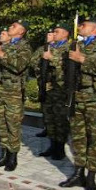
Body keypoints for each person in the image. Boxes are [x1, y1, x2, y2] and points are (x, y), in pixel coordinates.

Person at [59, 18, 96, 190]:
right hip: (77, 95)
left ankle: (91, 176)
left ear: (95, 29)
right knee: (78, 136)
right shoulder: (75, 45)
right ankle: (78, 172)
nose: (80, 27)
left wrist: (82, 59)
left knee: (95, 138)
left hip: (95, 98)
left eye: (84, 25)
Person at [0, 20, 32, 171]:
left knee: (13, 125)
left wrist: (1, 55)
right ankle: (4, 154)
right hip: (1, 90)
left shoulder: (24, 47)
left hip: (14, 92)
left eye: (14, 26)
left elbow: (19, 66)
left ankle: (13, 157)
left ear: (22, 31)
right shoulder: (7, 45)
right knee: (2, 124)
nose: (10, 27)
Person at [35, 23, 70, 160]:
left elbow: (68, 67)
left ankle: (60, 148)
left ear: (65, 33)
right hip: (48, 87)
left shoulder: (69, 48)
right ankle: (52, 144)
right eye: (53, 32)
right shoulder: (50, 47)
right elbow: (37, 63)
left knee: (60, 120)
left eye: (57, 31)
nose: (54, 34)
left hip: (61, 88)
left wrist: (51, 59)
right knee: (49, 119)